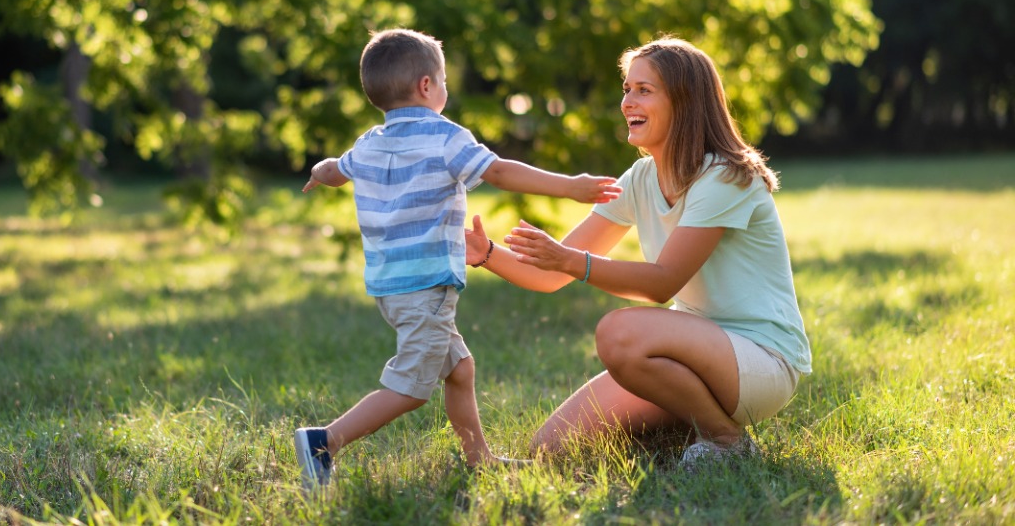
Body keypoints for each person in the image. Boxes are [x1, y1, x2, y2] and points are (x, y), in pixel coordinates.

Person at [295, 27, 622, 491]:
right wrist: (569, 186)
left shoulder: (369, 142)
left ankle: (480, 459)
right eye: (444, 80)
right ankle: (323, 441)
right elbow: (502, 172)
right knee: (409, 389)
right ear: (427, 86)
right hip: (426, 286)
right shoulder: (445, 137)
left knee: (460, 369)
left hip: (392, 287)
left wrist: (316, 172)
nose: (445, 89)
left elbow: (334, 170)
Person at [464, 36, 811, 469]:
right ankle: (687, 426)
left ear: (684, 101)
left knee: (619, 333)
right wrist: (484, 252)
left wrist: (571, 261)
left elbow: (664, 283)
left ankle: (725, 438)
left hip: (762, 361)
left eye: (644, 90)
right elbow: (549, 275)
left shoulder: (724, 177)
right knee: (548, 451)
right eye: (627, 89)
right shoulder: (640, 178)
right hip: (689, 357)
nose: (628, 101)